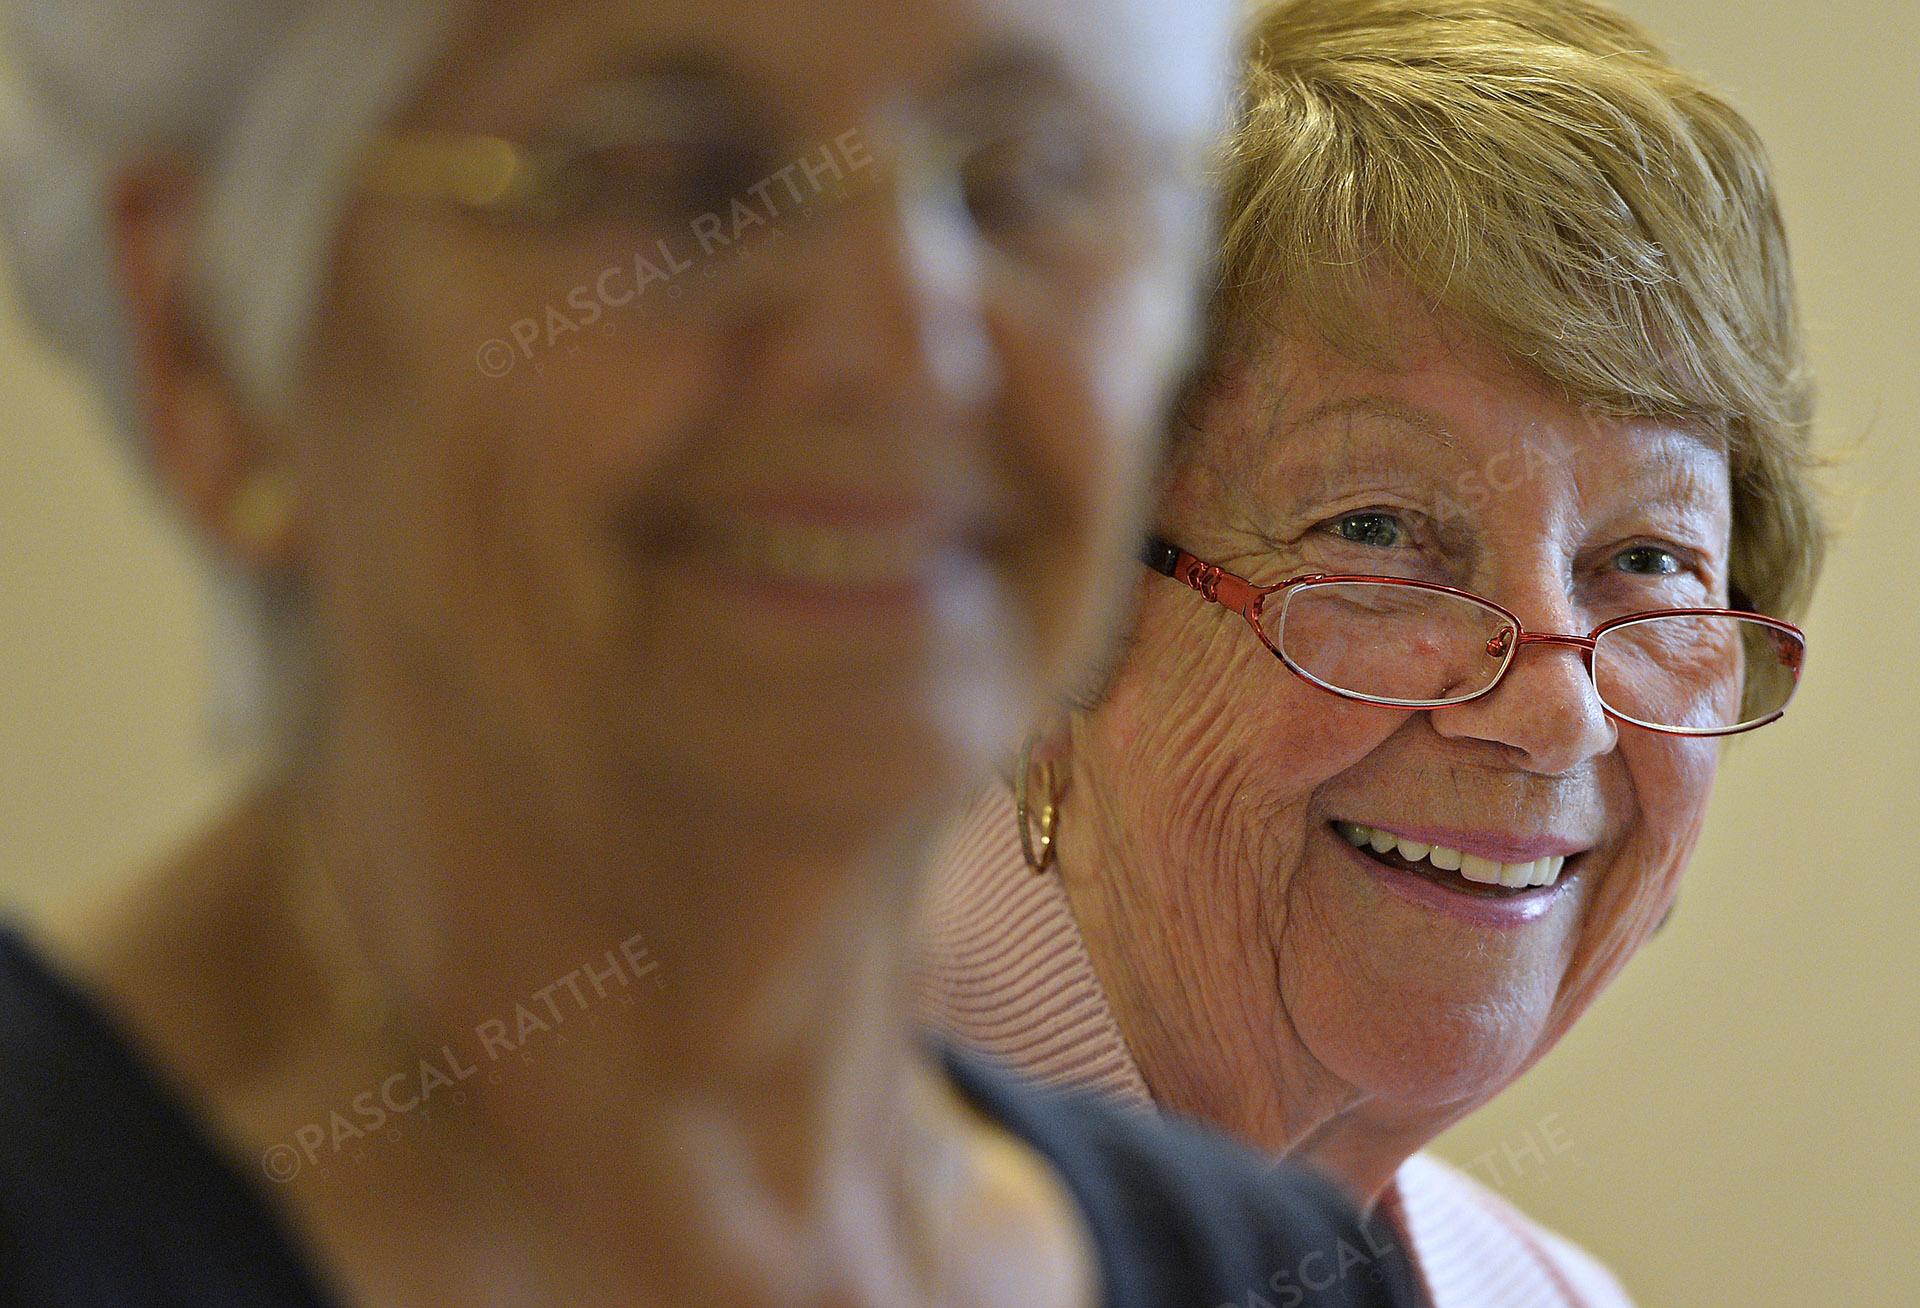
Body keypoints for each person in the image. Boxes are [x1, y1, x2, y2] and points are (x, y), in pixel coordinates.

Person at [0, 2, 1427, 1306]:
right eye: (668, 172)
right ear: (204, 340)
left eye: (1030, 176)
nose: (905, 343)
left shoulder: (1266, 1278)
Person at [916, 1, 1825, 1304]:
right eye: (1379, 532)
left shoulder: (1545, 1296)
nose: (1554, 716)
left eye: (1646, 562)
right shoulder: (741, 1205)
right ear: (1059, 610)